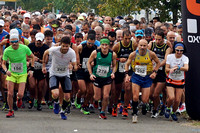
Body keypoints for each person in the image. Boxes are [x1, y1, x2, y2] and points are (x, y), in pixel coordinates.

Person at [125, 39, 160, 123]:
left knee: (145, 99)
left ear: (147, 46)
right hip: (136, 76)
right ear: (138, 45)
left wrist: (155, 72)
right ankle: (134, 114)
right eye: (141, 45)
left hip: (147, 77)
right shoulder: (133, 54)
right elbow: (127, 64)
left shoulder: (151, 54)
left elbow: (158, 63)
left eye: (144, 46)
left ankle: (144, 104)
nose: (142, 47)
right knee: (135, 96)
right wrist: (127, 74)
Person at [42, 36, 77, 120]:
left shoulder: (72, 52)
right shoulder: (55, 49)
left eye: (67, 46)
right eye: (63, 46)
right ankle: (56, 102)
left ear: (69, 45)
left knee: (67, 97)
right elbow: (45, 52)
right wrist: (44, 65)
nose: (65, 48)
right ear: (60, 44)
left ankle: (63, 111)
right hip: (54, 73)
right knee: (55, 93)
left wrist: (72, 66)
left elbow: (74, 63)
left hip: (65, 74)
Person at [2, 33, 35, 118]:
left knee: (20, 94)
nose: (14, 44)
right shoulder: (7, 50)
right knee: (9, 93)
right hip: (11, 73)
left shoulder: (24, 48)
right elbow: (3, 63)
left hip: (22, 73)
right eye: (12, 42)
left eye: (16, 41)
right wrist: (6, 70)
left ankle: (19, 99)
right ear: (9, 42)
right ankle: (10, 110)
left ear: (19, 41)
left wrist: (31, 69)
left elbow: (33, 57)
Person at [87, 37, 117, 119]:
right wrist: (90, 74)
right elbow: (88, 63)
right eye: (102, 45)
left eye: (106, 45)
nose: (104, 47)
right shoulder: (95, 53)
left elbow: (115, 65)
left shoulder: (112, 54)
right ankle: (98, 102)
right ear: (100, 45)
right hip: (97, 76)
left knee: (106, 96)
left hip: (107, 77)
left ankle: (102, 112)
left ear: (108, 45)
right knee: (97, 97)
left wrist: (113, 73)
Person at [165, 42, 189, 121]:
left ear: (183, 51)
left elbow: (186, 68)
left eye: (181, 51)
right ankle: (168, 108)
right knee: (171, 97)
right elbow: (166, 69)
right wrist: (171, 69)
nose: (179, 52)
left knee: (177, 100)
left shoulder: (185, 58)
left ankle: (173, 112)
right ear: (174, 50)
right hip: (171, 80)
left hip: (180, 81)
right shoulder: (170, 57)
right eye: (177, 50)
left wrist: (178, 67)